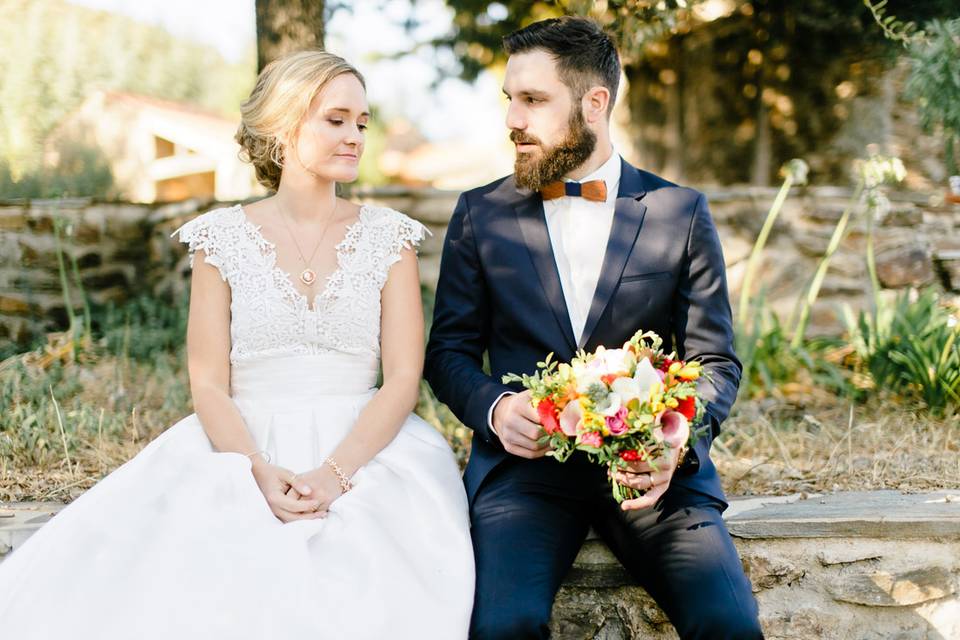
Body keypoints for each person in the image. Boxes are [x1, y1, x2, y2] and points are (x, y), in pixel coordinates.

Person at [0, 50, 474, 639]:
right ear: (282, 125)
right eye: (336, 119)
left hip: (368, 448)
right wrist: (254, 469)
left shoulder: (391, 239)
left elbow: (404, 377)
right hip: (238, 442)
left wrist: (334, 475)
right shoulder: (219, 240)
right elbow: (207, 382)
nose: (355, 135)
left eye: (362, 121)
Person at [425, 16, 763, 640]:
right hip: (524, 478)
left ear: (594, 102)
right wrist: (496, 410)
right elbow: (446, 352)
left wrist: (675, 436)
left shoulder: (680, 213)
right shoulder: (480, 214)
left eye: (532, 100)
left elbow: (717, 362)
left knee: (728, 625)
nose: (512, 120)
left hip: (654, 477)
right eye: (510, 100)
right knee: (504, 627)